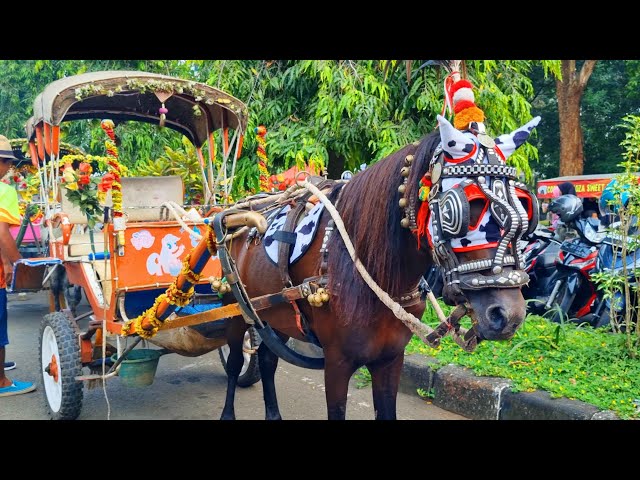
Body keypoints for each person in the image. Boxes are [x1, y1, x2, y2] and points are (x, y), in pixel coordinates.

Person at [0, 134, 35, 397]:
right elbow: (2, 234)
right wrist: (19, 262)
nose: (9, 169)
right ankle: (2, 382)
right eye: (7, 163)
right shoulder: (5, 191)